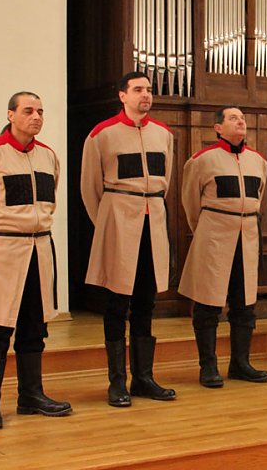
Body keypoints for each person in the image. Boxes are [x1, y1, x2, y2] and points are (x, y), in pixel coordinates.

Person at [0, 91, 72, 429]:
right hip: (2, 250)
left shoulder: (49, 156)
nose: (36, 116)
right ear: (11, 115)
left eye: (40, 111)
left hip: (40, 250)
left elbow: (49, 202)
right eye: (28, 111)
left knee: (35, 325)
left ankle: (31, 396)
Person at [81, 71, 176, 406]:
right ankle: (117, 382)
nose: (145, 95)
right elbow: (90, 188)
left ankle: (144, 378)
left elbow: (168, 179)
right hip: (119, 220)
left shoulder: (164, 134)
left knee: (146, 302)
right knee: (116, 302)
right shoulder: (102, 134)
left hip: (154, 222)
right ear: (122, 95)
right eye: (137, 90)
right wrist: (110, 222)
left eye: (148, 90)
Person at [179, 106, 267, 387]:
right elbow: (190, 203)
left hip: (248, 238)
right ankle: (208, 366)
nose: (240, 121)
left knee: (244, 305)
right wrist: (208, 229)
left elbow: (258, 198)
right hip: (214, 237)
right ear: (218, 127)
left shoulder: (259, 161)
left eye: (242, 118)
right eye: (233, 118)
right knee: (208, 304)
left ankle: (240, 363)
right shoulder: (201, 160)